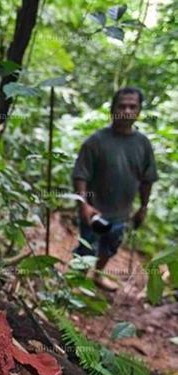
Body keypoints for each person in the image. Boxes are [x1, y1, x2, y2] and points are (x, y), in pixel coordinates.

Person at [72, 87, 158, 291]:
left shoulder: (143, 144)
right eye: (122, 106)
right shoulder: (96, 141)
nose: (127, 111)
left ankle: (97, 277)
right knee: (86, 249)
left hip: (121, 213)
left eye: (132, 106)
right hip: (95, 212)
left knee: (109, 248)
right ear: (112, 109)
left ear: (138, 111)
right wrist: (84, 205)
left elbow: (148, 179)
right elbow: (80, 174)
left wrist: (143, 207)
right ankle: (74, 287)